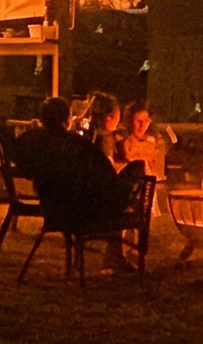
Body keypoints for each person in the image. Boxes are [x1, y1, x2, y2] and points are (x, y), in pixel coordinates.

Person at [12, 96, 143, 272]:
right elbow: (107, 174)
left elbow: (22, 165)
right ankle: (115, 255)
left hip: (52, 206)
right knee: (136, 172)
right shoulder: (77, 143)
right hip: (83, 211)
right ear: (67, 119)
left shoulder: (30, 140)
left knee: (111, 192)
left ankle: (115, 255)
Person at [118, 99, 165, 181]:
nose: (142, 125)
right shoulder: (121, 141)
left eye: (146, 121)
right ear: (130, 121)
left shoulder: (156, 142)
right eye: (138, 121)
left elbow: (158, 171)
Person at [85, 92, 123, 169]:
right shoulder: (104, 138)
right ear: (108, 117)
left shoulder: (88, 135)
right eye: (117, 117)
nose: (118, 122)